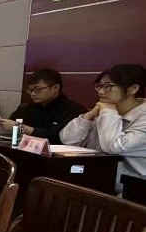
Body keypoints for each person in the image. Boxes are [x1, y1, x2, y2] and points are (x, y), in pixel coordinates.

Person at [60, 64, 146, 195]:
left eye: (108, 86)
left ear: (133, 88)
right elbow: (67, 140)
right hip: (97, 183)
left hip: (133, 192)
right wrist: (88, 117)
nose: (100, 92)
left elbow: (115, 147)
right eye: (99, 86)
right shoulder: (106, 110)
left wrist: (108, 113)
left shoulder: (137, 116)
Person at [0, 69, 85, 144]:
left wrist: (21, 127)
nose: (33, 94)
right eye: (30, 90)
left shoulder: (73, 110)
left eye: (38, 89)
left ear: (55, 88)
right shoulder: (26, 108)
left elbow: (57, 136)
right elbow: (10, 128)